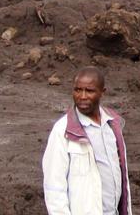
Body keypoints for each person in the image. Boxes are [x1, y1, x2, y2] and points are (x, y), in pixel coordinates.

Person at [42, 66, 132, 215]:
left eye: (89, 91)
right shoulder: (63, 131)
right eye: (78, 90)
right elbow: (54, 188)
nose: (82, 96)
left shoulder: (112, 124)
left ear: (102, 93)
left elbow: (122, 177)